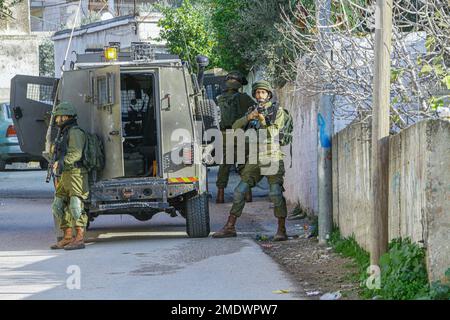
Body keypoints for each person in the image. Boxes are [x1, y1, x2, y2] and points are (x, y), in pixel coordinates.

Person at [213, 80, 289, 241]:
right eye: (257, 93)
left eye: (263, 92)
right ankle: (230, 227)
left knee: (275, 192)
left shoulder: (277, 110)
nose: (259, 95)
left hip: (271, 155)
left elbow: (273, 133)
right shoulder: (251, 110)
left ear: (268, 95)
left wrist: (262, 119)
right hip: (254, 157)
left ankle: (281, 230)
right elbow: (235, 127)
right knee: (240, 191)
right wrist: (249, 117)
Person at [50, 101, 89, 250]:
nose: (56, 120)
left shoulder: (75, 132)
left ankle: (79, 238)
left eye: (58, 117)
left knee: (75, 206)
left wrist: (61, 163)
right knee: (57, 206)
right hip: (65, 174)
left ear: (65, 116)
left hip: (76, 174)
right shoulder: (64, 132)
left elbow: (76, 153)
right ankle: (67, 237)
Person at [215, 71, 255, 203]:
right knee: (243, 164)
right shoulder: (244, 98)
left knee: (224, 165)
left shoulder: (220, 98)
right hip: (241, 133)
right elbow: (254, 110)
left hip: (225, 134)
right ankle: (247, 195)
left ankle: (220, 195)